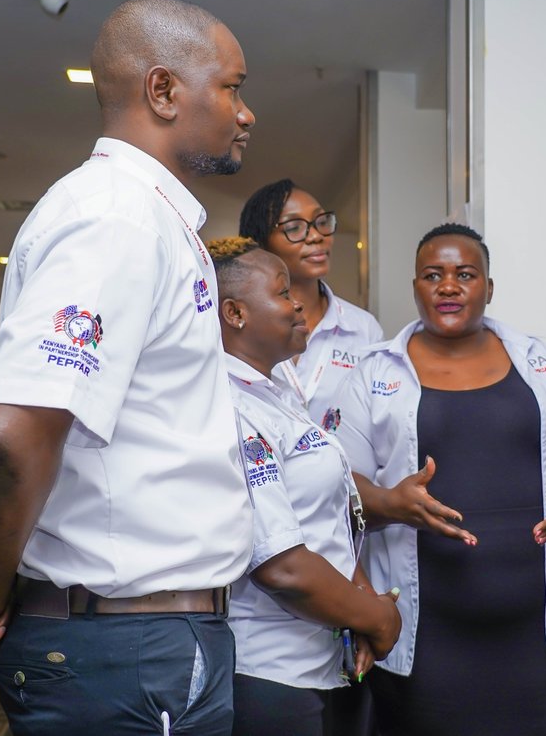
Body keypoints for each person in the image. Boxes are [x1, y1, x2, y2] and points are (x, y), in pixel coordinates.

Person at [0, 0, 257, 736]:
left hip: (139, 640)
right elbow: (8, 438)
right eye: (232, 87)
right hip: (127, 649)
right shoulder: (118, 217)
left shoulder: (144, 217)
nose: (245, 111)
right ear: (162, 90)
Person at [333, 224, 546, 736]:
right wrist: (392, 502)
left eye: (465, 274)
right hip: (424, 634)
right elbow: (340, 485)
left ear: (489, 286)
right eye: (432, 275)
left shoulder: (538, 360)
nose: (448, 286)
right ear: (415, 287)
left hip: (536, 635)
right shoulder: (373, 373)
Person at [206, 236, 400, 736]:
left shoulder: (277, 391)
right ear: (234, 313)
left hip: (325, 663)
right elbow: (281, 567)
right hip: (268, 674)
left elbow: (326, 518)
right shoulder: (229, 405)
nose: (298, 303)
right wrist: (378, 618)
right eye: (282, 292)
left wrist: (360, 606)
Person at [239, 179, 383, 423]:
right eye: (294, 227)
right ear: (260, 242)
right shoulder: (241, 326)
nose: (316, 236)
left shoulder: (363, 328)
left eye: (321, 222)